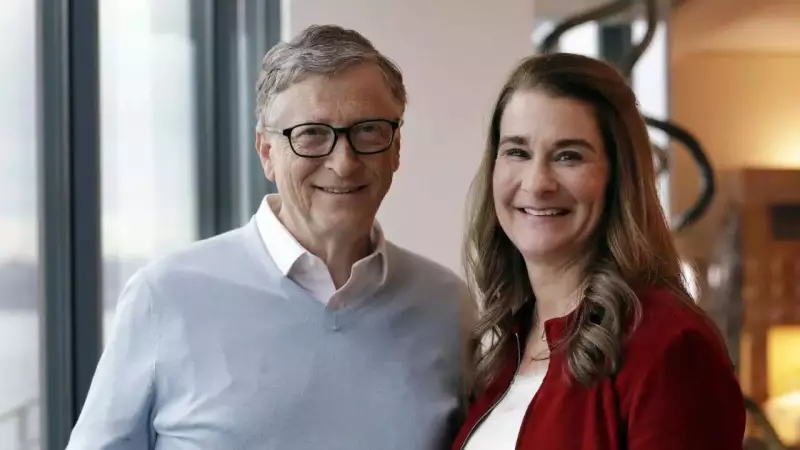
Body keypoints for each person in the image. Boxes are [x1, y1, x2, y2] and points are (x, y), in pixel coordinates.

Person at [67, 24, 474, 450]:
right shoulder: (164, 297)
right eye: (311, 134)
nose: (343, 163)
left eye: (368, 130)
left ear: (396, 148)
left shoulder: (447, 307)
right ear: (266, 153)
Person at [450, 53, 746, 450]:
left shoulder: (669, 345)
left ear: (618, 177)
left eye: (568, 156)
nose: (536, 183)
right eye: (517, 152)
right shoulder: (505, 347)